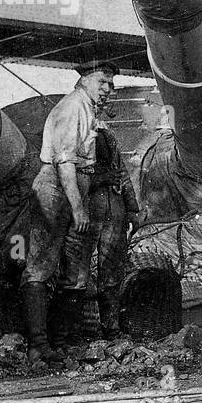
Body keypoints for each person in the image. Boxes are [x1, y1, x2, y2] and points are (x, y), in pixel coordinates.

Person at [22, 61, 116, 362]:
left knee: (76, 271)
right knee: (41, 264)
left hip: (78, 188)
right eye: (103, 82)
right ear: (85, 80)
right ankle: (38, 344)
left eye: (111, 84)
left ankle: (61, 342)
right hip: (58, 188)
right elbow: (64, 162)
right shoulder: (73, 107)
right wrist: (78, 208)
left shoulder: (89, 111)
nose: (108, 89)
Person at [88, 125, 139, 336]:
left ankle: (111, 328)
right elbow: (69, 177)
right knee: (78, 275)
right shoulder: (74, 132)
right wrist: (100, 179)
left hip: (113, 214)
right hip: (86, 215)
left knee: (112, 274)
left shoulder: (108, 135)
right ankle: (80, 330)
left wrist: (132, 209)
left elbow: (122, 173)